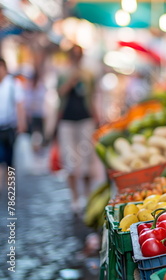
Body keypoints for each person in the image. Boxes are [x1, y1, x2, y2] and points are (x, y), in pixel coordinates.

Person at [56, 45, 100, 215]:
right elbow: (59, 94)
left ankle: (87, 196)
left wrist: (97, 117)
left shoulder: (89, 74)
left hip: (85, 120)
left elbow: (93, 95)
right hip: (67, 121)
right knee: (69, 161)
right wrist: (71, 81)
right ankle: (75, 197)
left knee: (87, 160)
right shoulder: (62, 73)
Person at [0, 58, 27, 185]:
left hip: (9, 127)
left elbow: (19, 105)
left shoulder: (13, 84)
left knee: (10, 160)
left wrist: (22, 123)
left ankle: (10, 188)